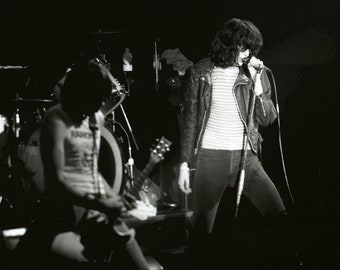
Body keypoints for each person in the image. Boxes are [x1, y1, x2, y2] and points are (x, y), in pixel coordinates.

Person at [14, 58, 161, 269]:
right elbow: (61, 179)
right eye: (97, 98)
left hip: (91, 209)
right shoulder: (55, 119)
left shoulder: (95, 119)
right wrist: (104, 203)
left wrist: (116, 199)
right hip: (62, 213)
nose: (101, 104)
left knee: (129, 241)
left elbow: (91, 172)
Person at [177, 18, 299, 269]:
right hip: (212, 157)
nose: (248, 54)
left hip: (247, 158)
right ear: (229, 43)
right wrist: (184, 163)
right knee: (202, 232)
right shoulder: (201, 72)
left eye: (252, 49)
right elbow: (190, 120)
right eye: (244, 47)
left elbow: (267, 118)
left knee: (278, 215)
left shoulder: (257, 74)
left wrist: (256, 85)